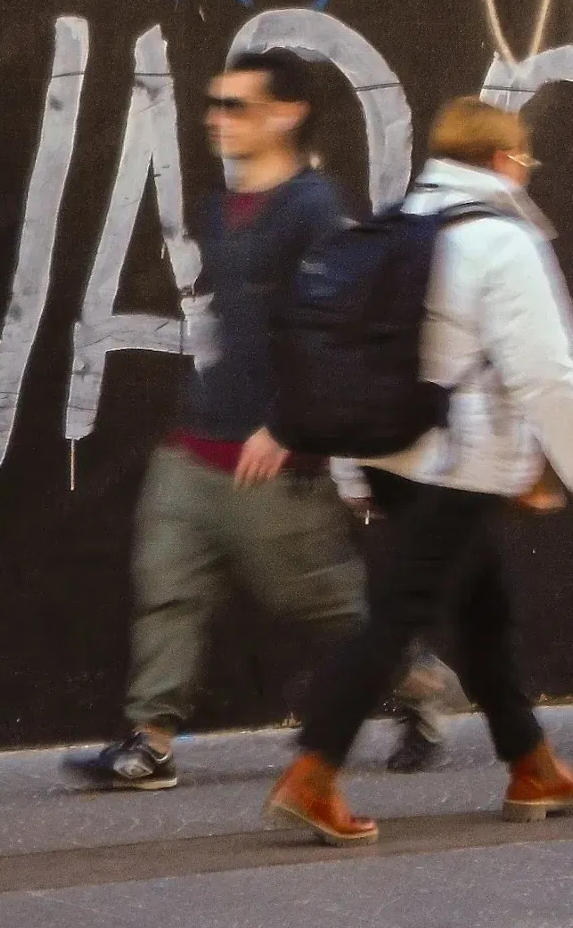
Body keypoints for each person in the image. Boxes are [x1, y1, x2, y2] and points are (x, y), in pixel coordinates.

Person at [65, 49, 438, 788]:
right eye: (213, 103)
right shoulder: (218, 206)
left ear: (286, 114)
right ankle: (151, 743)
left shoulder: (316, 211)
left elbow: (338, 339)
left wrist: (290, 427)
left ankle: (415, 678)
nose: (215, 118)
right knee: (167, 587)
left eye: (234, 106)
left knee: (320, 603)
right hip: (194, 447)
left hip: (270, 458)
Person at [265, 95, 573, 843]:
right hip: (455, 465)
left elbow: (357, 358)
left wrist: (354, 473)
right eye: (525, 161)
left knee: (484, 617)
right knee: (393, 623)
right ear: (502, 161)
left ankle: (531, 765)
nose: (527, 174)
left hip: (393, 454)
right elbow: (545, 373)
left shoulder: (395, 226)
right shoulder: (502, 241)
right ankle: (312, 772)